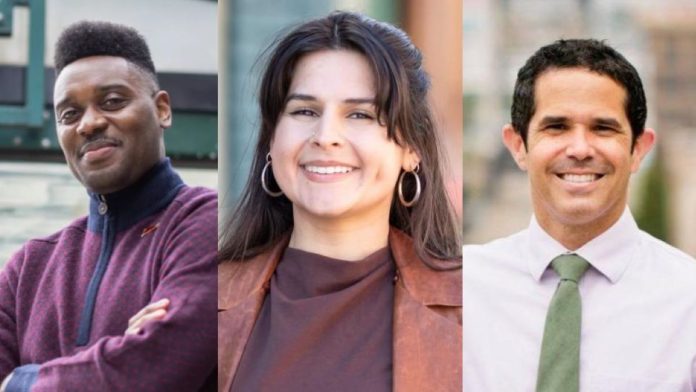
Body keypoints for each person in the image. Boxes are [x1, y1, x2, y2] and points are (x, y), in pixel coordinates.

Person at [218, 11, 462, 392]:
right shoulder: (202, 296)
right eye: (304, 111)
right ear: (271, 139)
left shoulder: (473, 310)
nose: (325, 136)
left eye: (360, 114)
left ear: (411, 149)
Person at [463, 39, 696, 391]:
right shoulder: (457, 291)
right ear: (518, 146)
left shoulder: (688, 302)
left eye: (603, 128)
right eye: (556, 126)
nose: (580, 149)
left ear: (638, 149)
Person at [0, 21, 216, 391]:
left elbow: (154, 370)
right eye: (69, 114)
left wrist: (20, 382)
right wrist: (121, 351)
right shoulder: (29, 267)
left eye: (112, 101)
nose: (90, 123)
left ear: (162, 109)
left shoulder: (208, 225)